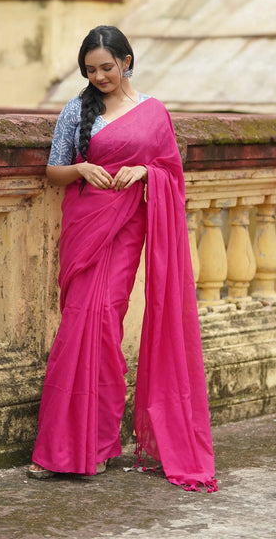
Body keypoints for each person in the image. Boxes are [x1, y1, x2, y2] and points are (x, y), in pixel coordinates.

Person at [28, 25, 217, 492]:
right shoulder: (76, 110)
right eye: (90, 70)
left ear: (126, 61)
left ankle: (96, 445)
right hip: (85, 227)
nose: (99, 77)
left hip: (126, 228)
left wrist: (145, 171)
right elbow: (53, 169)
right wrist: (80, 168)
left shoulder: (153, 113)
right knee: (77, 328)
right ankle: (60, 451)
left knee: (106, 327)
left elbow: (172, 171)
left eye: (106, 67)